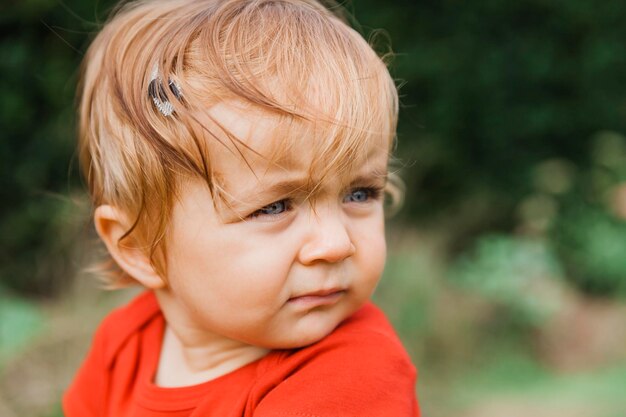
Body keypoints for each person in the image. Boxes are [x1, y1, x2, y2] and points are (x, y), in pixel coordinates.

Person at [63, 0, 419, 415]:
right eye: (275, 206)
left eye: (359, 194)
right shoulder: (123, 345)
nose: (336, 244)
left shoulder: (351, 380)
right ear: (139, 243)